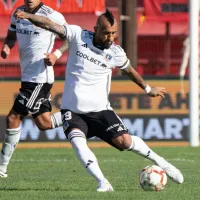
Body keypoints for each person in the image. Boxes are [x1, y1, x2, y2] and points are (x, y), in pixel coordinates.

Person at [15, 9, 184, 192]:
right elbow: (50, 24)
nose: (110, 37)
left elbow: (130, 71)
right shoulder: (78, 35)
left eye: (113, 33)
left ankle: (162, 162)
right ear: (96, 29)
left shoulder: (116, 53)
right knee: (78, 143)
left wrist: (148, 89)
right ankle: (103, 182)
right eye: (106, 33)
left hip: (101, 111)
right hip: (73, 112)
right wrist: (29, 16)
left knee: (125, 142)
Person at [0, 0, 68, 178]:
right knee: (43, 123)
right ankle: (76, 114)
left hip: (39, 79)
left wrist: (56, 54)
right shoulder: (18, 12)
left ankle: (1, 169)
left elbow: (71, 37)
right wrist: (7, 46)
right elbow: (11, 34)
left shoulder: (52, 15)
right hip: (28, 78)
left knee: (13, 118)